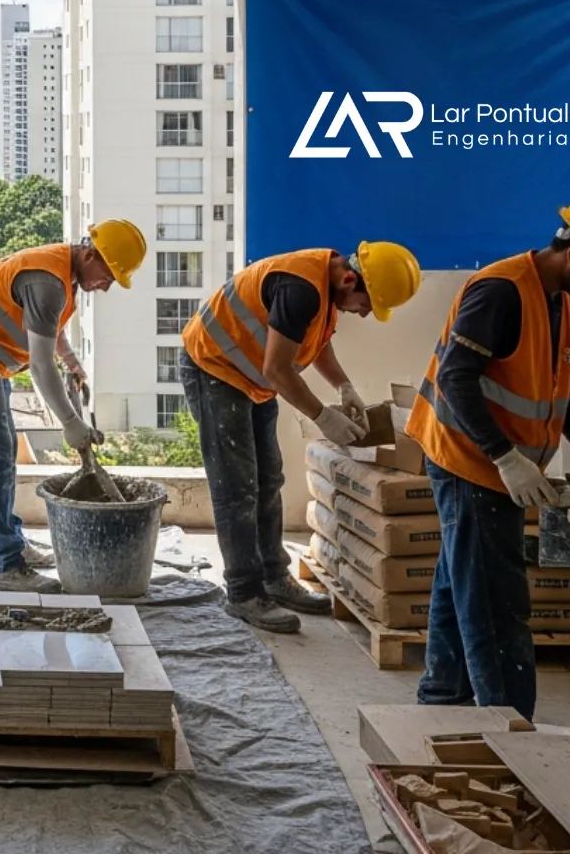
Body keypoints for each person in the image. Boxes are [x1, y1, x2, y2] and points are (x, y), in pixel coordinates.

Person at [406, 193, 570, 719]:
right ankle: (513, 737)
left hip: (497, 463)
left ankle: (443, 702)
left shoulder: (564, 300)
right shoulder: (501, 292)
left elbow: (567, 384)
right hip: (470, 460)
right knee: (498, 608)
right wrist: (506, 459)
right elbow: (455, 377)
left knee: (462, 584)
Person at [181, 242, 423, 633]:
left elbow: (312, 339)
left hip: (250, 378)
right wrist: (323, 417)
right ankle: (243, 593)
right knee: (238, 487)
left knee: (269, 479)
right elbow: (278, 369)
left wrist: (343, 385)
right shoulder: (301, 288)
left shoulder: (325, 285)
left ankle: (274, 578)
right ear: (350, 279)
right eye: (367, 303)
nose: (364, 312)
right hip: (215, 367)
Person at [0, 221, 148, 593]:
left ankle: (8, 543)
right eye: (109, 275)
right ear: (91, 255)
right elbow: (40, 364)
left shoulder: (63, 272)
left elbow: (46, 327)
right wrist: (70, 421)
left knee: (2, 450)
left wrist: (72, 360)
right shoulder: (47, 282)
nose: (108, 285)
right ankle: (2, 564)